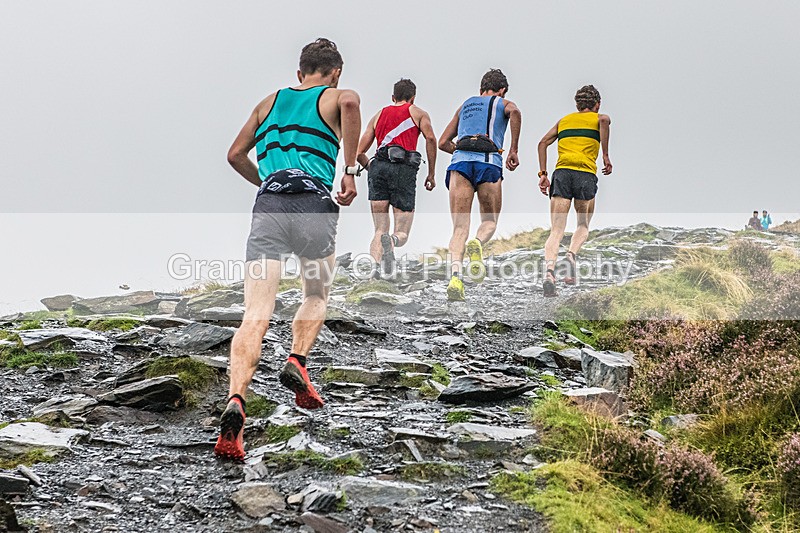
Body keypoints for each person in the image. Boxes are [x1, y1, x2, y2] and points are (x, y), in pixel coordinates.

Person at [215, 38, 361, 460]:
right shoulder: (335, 94)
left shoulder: (269, 102)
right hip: (313, 202)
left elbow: (234, 154)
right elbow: (350, 103)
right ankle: (297, 360)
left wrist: (266, 181)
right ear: (334, 71)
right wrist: (349, 170)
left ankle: (237, 401)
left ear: (299, 73)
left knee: (254, 314)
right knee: (316, 293)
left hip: (270, 205)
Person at [438, 69, 521, 301]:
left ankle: (456, 277)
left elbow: (443, 142)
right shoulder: (502, 102)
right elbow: (514, 112)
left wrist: (462, 150)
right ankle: (478, 242)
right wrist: (513, 149)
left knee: (458, 228)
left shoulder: (465, 105)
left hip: (460, 165)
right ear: (502, 89)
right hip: (489, 162)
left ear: (481, 88)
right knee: (489, 221)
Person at [356, 79, 437, 276]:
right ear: (413, 98)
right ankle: (392, 242)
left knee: (379, 228)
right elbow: (431, 139)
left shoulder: (378, 116)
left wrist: (371, 168)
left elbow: (359, 152)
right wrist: (431, 173)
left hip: (378, 167)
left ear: (393, 97)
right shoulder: (418, 113)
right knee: (402, 231)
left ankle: (374, 270)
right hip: (404, 170)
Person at [538, 85, 612, 297]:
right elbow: (605, 121)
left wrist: (542, 173)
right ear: (596, 104)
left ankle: (550, 273)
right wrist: (605, 155)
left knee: (556, 230)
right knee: (583, 224)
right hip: (585, 174)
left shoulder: (564, 121)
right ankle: (571, 255)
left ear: (577, 105)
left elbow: (542, 143)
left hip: (561, 173)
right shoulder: (600, 118)